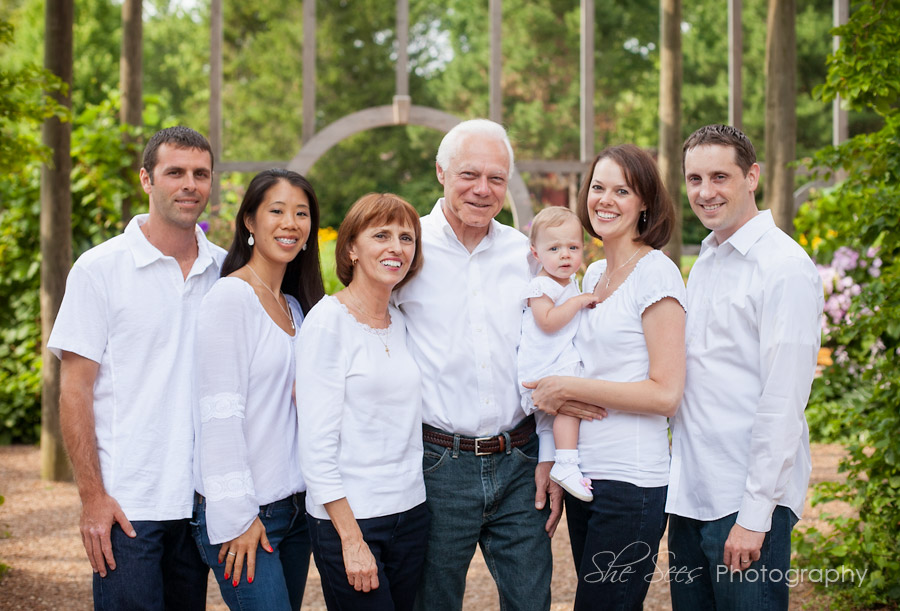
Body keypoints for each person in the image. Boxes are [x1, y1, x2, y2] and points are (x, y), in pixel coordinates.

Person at [48, 126, 223, 610]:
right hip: (128, 506)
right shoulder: (99, 269)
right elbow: (75, 391)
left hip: (199, 505)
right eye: (175, 173)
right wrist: (92, 498)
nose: (190, 184)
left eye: (200, 174)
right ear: (146, 179)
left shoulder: (225, 273)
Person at [393, 118, 560, 611]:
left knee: (532, 601)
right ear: (441, 172)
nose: (483, 190)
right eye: (469, 174)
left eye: (496, 179)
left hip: (521, 461)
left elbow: (552, 352)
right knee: (432, 602)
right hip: (438, 463)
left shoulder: (526, 256)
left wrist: (550, 450)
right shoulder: (406, 249)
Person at [666, 124, 824, 610]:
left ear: (751, 176)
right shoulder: (710, 259)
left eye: (719, 176)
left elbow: (783, 401)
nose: (705, 192)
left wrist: (754, 516)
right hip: (691, 494)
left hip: (746, 503)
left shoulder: (783, 268)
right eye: (694, 179)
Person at [524, 143, 686, 610]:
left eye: (622, 190)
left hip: (630, 482)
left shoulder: (656, 273)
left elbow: (667, 393)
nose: (605, 199)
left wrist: (566, 390)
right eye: (598, 187)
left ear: (645, 203)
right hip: (585, 477)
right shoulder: (590, 273)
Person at [192, 169, 326, 610]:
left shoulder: (296, 307)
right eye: (277, 210)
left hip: (294, 508)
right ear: (249, 221)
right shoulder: (230, 298)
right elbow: (218, 414)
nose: (291, 223)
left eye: (301, 213)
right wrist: (237, 517)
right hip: (249, 512)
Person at [296, 193, 428, 611]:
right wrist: (351, 539)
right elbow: (315, 447)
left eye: (406, 238)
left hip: (411, 512)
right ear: (351, 247)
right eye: (381, 235)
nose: (396, 248)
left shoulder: (404, 323)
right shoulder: (327, 323)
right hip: (350, 519)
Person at [517, 206, 598, 502]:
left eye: (573, 247)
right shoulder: (541, 285)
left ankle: (553, 462)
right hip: (545, 363)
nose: (565, 255)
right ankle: (566, 464)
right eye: (554, 248)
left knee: (548, 425)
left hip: (555, 358)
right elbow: (548, 322)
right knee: (566, 407)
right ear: (536, 254)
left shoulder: (568, 281)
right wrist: (577, 302)